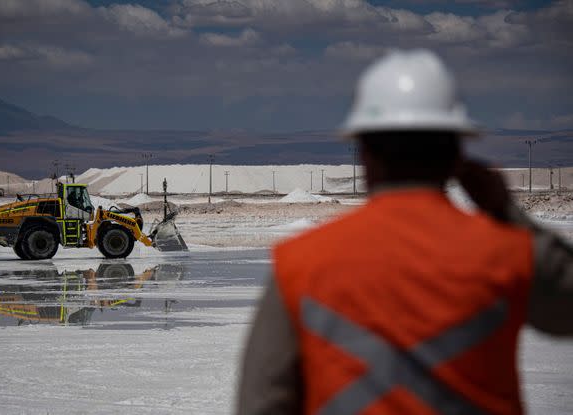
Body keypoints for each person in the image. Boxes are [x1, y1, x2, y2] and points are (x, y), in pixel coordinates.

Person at [236, 49, 573, 415]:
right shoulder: (508, 252)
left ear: (364, 152)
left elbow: (262, 401)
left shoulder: (299, 263)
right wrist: (505, 211)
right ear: (457, 155)